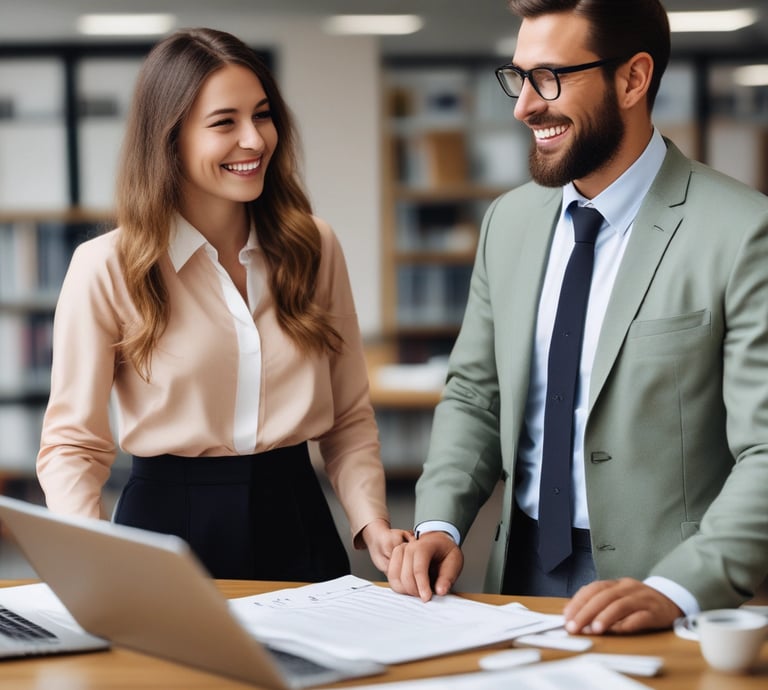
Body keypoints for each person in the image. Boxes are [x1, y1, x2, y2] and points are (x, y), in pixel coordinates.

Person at [387, 0, 768, 635]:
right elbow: (476, 394)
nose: (524, 106)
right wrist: (439, 522)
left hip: (665, 586)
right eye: (519, 77)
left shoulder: (743, 231)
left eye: (551, 77)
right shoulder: (508, 222)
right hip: (514, 571)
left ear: (633, 79)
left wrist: (680, 587)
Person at [37, 27, 409, 582]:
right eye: (224, 123)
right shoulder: (107, 266)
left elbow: (349, 418)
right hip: (165, 527)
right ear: (170, 139)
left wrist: (371, 522)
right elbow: (73, 445)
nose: (255, 140)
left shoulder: (314, 246)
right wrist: (93, 563)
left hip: (298, 520)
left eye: (262, 115)